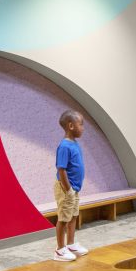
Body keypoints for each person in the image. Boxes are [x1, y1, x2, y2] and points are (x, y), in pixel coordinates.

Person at [53, 109, 88, 261]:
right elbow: (62, 170)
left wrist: (73, 190)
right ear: (71, 126)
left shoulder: (75, 143)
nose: (83, 128)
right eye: (81, 124)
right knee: (63, 218)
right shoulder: (64, 146)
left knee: (73, 215)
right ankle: (60, 250)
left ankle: (71, 244)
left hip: (73, 189)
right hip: (66, 188)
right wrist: (68, 190)